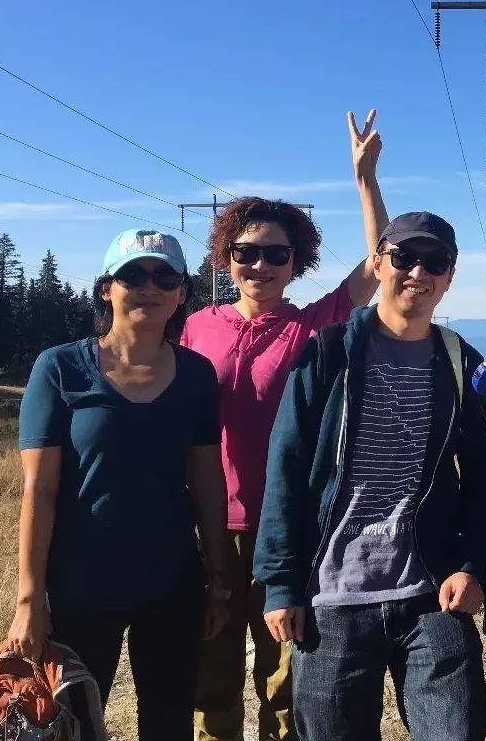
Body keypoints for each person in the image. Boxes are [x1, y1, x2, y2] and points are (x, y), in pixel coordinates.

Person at [254, 211, 486, 741]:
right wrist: (280, 585)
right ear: (378, 262)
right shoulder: (328, 352)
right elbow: (287, 465)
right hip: (331, 599)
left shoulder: (460, 362)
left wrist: (471, 565)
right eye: (404, 258)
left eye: (434, 262)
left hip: (430, 592)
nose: (418, 272)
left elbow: (484, 476)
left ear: (450, 275)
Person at [183, 110, 387, 741]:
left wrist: (365, 182)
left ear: (297, 262)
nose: (260, 265)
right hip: (207, 525)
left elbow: (379, 269)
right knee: (209, 675)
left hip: (286, 527)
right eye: (247, 252)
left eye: (277, 254)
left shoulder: (310, 327)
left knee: (284, 680)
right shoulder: (195, 326)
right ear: (226, 256)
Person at [8, 229, 229, 741]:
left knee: (169, 722)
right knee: (73, 724)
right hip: (79, 586)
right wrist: (29, 601)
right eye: (133, 274)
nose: (148, 287)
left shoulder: (196, 375)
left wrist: (218, 578)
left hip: (172, 584)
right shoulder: (59, 368)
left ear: (181, 293)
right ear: (107, 287)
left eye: (164, 277)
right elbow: (38, 491)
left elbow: (206, 480)